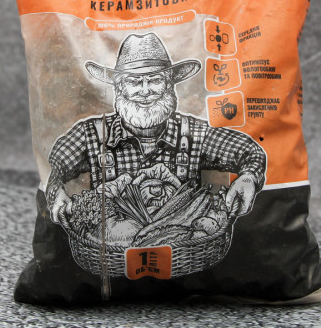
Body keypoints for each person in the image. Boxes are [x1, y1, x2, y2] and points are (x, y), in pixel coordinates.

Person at [46, 32, 266, 225]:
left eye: (155, 80)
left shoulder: (194, 133)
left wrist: (248, 177)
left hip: (185, 248)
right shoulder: (92, 135)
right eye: (134, 82)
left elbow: (249, 151)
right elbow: (53, 164)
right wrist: (55, 190)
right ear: (119, 88)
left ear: (169, 84)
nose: (145, 91)